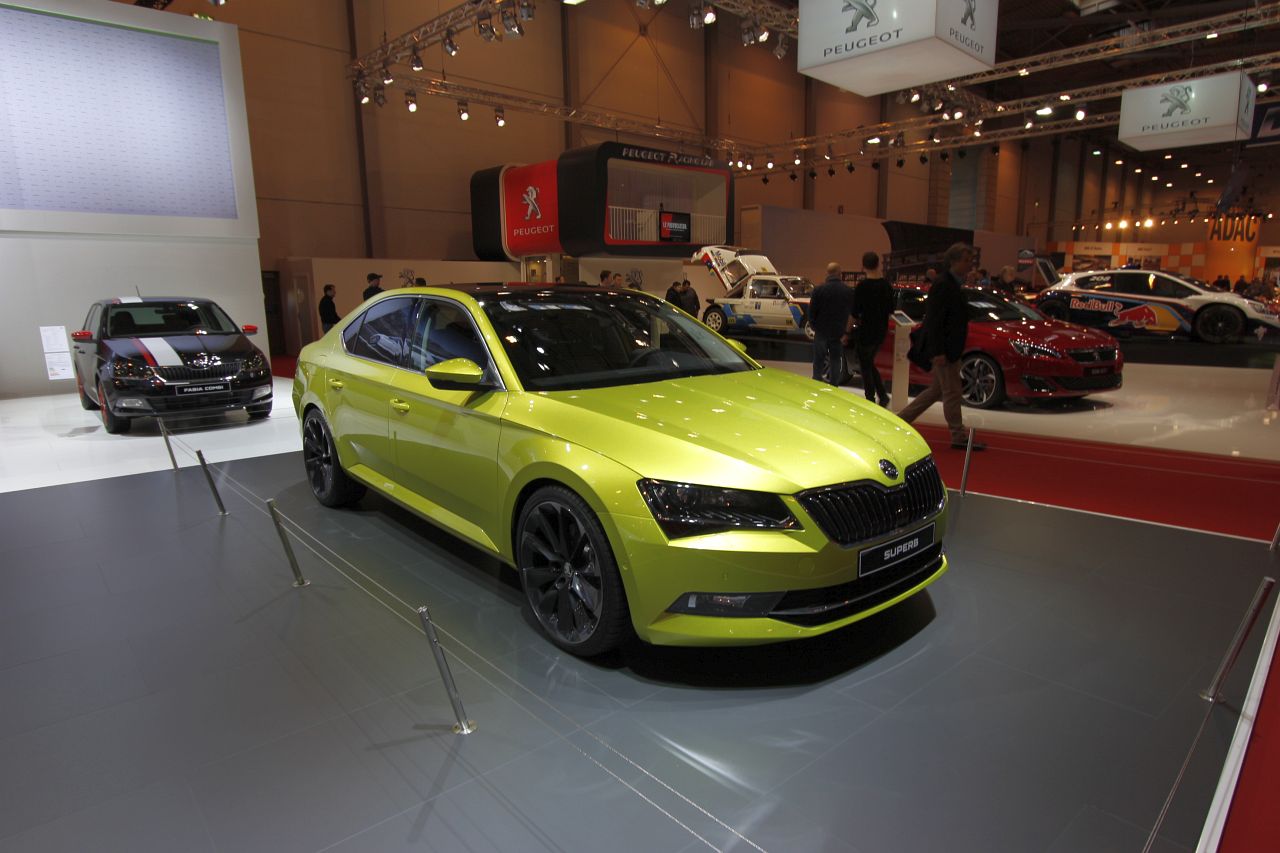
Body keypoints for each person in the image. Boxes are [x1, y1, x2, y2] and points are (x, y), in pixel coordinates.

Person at [896, 243, 985, 450]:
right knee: (952, 392)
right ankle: (958, 435)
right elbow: (934, 321)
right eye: (966, 260)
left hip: (950, 348)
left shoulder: (953, 284)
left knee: (937, 391)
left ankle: (900, 421)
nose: (970, 264)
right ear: (954, 261)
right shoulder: (944, 284)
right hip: (945, 350)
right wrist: (938, 351)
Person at [852, 252, 893, 407]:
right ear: (878, 264)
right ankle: (882, 395)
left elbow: (854, 312)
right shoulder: (886, 286)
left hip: (866, 331)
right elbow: (890, 310)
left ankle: (870, 398)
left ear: (863, 266)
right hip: (880, 331)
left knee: (865, 365)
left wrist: (847, 332)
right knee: (868, 362)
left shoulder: (862, 287)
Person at [808, 262, 855, 385]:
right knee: (835, 360)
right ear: (840, 274)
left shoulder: (819, 290)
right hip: (838, 332)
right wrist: (846, 332)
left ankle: (816, 383)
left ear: (827, 273)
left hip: (821, 331)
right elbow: (852, 313)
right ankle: (834, 385)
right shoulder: (848, 291)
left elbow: (812, 311)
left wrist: (814, 326)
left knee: (818, 360)